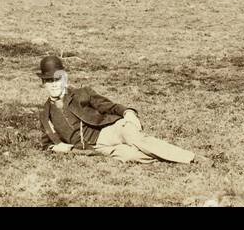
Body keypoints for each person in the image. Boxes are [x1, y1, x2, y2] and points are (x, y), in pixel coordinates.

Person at [36, 54, 196, 164]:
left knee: (138, 140)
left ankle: (192, 158)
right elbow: (46, 144)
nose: (54, 84)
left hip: (111, 130)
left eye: (57, 79)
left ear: (64, 79)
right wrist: (56, 147)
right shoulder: (46, 114)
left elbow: (110, 106)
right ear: (43, 84)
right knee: (131, 156)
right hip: (97, 147)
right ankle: (168, 157)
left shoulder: (82, 93)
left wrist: (128, 112)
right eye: (49, 81)